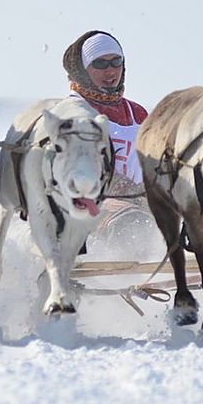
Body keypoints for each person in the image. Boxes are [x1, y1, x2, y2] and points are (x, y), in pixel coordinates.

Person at [62, 30, 152, 249]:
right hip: (87, 202)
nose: (110, 70)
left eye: (116, 61)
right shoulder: (72, 111)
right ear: (83, 70)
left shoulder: (137, 113)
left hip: (139, 202)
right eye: (100, 64)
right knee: (132, 222)